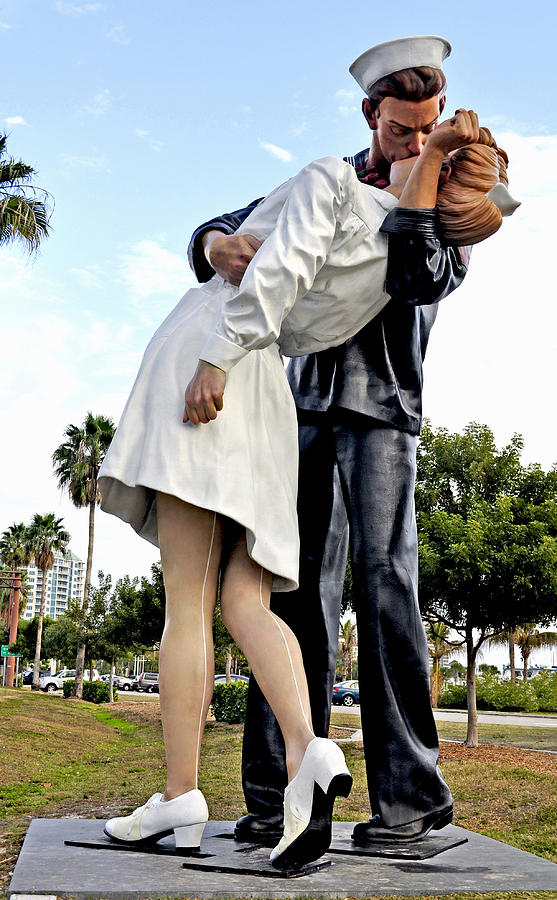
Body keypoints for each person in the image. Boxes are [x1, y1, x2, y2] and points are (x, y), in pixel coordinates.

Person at [98, 87, 514, 871]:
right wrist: (218, 243)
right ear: (371, 118)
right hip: (290, 404)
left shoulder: (445, 196)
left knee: (387, 586)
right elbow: (235, 235)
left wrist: (429, 173)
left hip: (382, 407)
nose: (410, 138)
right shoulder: (332, 176)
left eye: (424, 129)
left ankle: (409, 799)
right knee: (290, 595)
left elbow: (422, 275)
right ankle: (274, 792)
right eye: (399, 128)